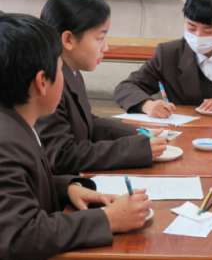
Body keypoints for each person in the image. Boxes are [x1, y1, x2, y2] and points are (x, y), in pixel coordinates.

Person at [0, 13, 151, 260]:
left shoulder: (16, 123)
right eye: (60, 69)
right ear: (41, 82)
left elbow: (23, 186)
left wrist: (66, 188)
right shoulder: (6, 142)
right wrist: (108, 219)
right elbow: (20, 235)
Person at [36, 0, 167, 175]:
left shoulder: (71, 72)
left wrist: (138, 132)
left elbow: (87, 123)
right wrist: (134, 150)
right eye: (100, 38)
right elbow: (62, 156)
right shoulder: (49, 83)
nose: (106, 47)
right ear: (69, 39)